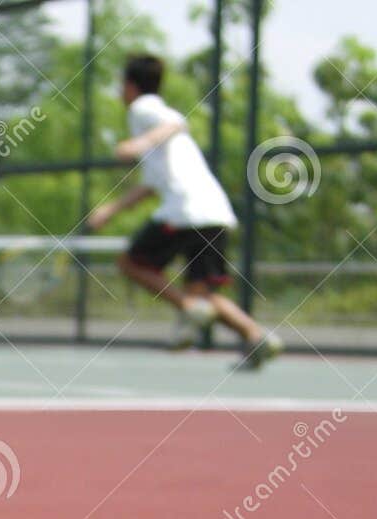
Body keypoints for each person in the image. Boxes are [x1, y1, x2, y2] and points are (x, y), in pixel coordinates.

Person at [87, 54, 283, 370]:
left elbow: (176, 122)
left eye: (120, 86)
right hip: (213, 211)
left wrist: (138, 144)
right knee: (203, 296)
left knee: (130, 263)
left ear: (130, 86)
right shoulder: (163, 148)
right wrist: (111, 209)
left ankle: (187, 307)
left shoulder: (143, 108)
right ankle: (256, 336)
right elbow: (150, 185)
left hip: (185, 212)